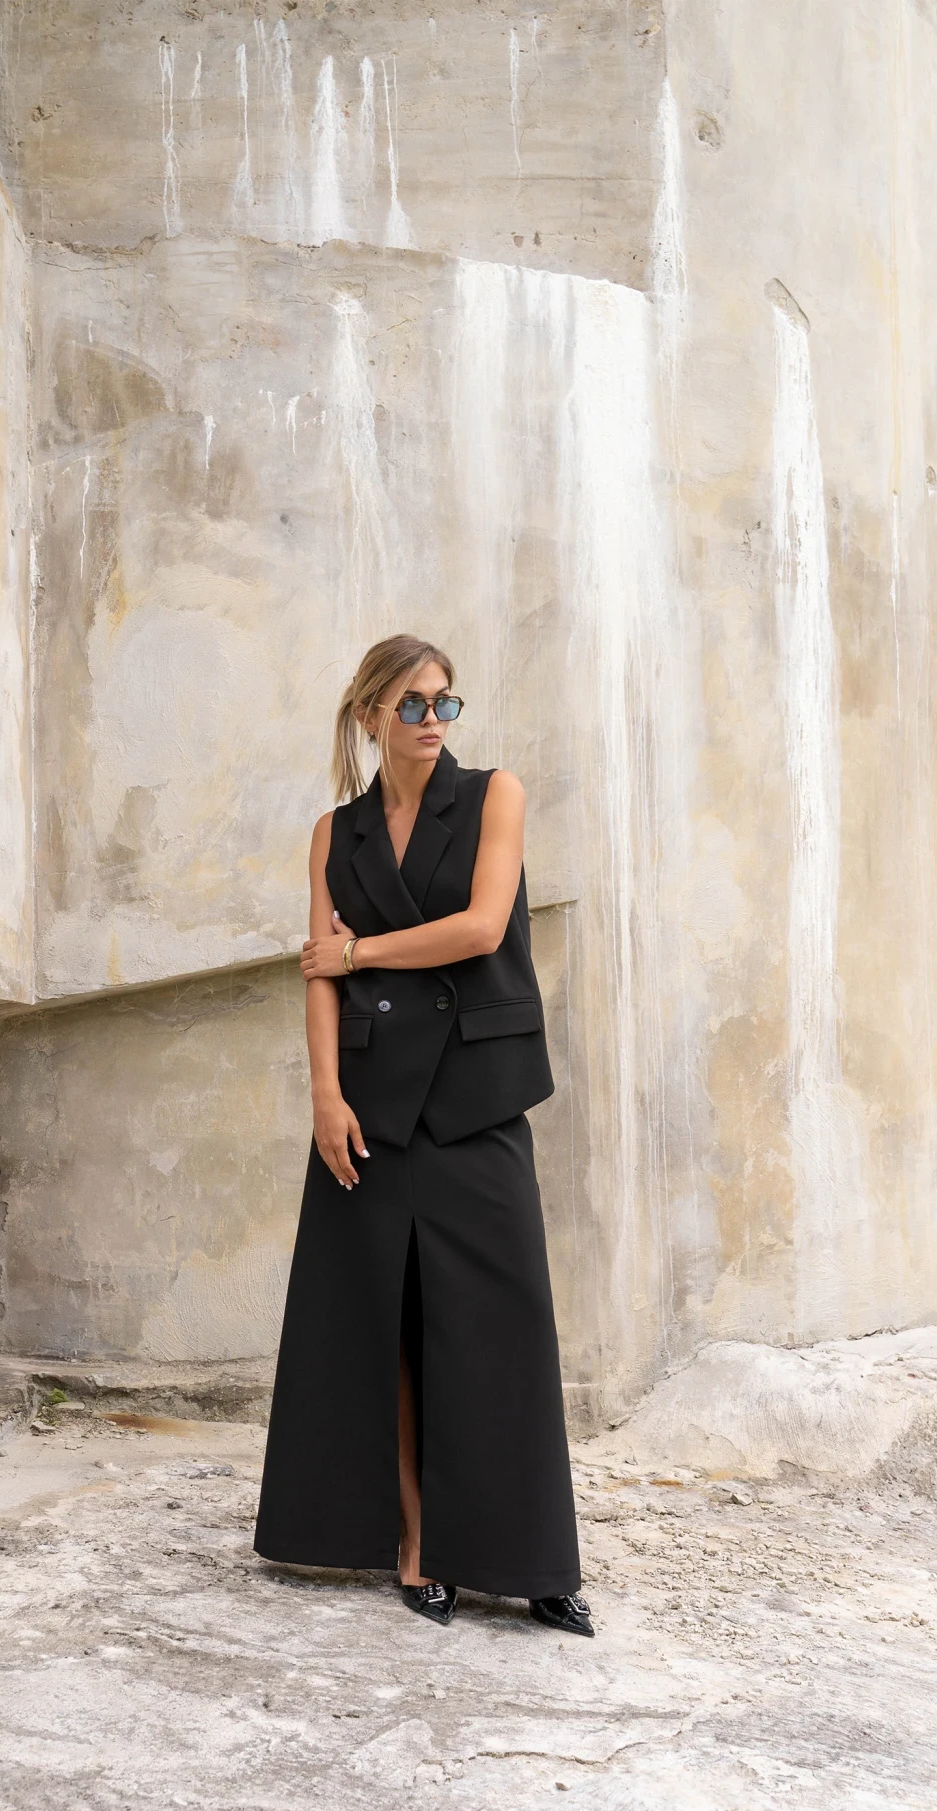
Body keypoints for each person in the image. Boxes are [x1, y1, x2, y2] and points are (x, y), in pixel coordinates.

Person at [253, 634, 592, 1636]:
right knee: (386, 1329)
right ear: (369, 715)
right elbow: (316, 972)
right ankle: (415, 1547)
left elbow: (480, 928)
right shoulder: (335, 833)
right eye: (411, 704)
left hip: (476, 1093)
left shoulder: (493, 796)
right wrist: (325, 1094)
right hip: (371, 1103)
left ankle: (531, 1559)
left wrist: (359, 951)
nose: (433, 720)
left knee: (503, 1324)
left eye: (445, 701)